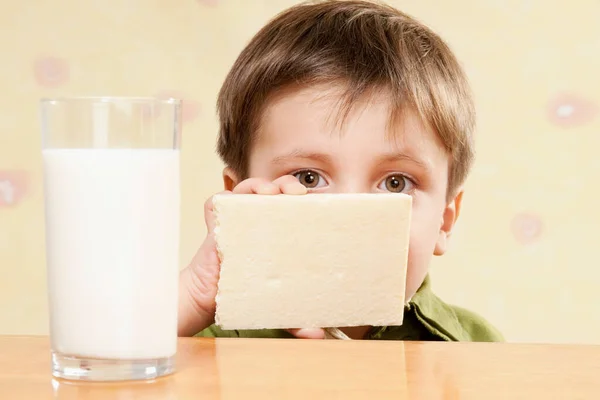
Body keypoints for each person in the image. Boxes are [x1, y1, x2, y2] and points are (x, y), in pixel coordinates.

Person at [177, 0, 503, 341]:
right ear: (236, 205)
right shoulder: (196, 342)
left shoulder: (475, 346)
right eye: (308, 178)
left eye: (395, 183)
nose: (353, 214)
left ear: (444, 222)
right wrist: (193, 295)